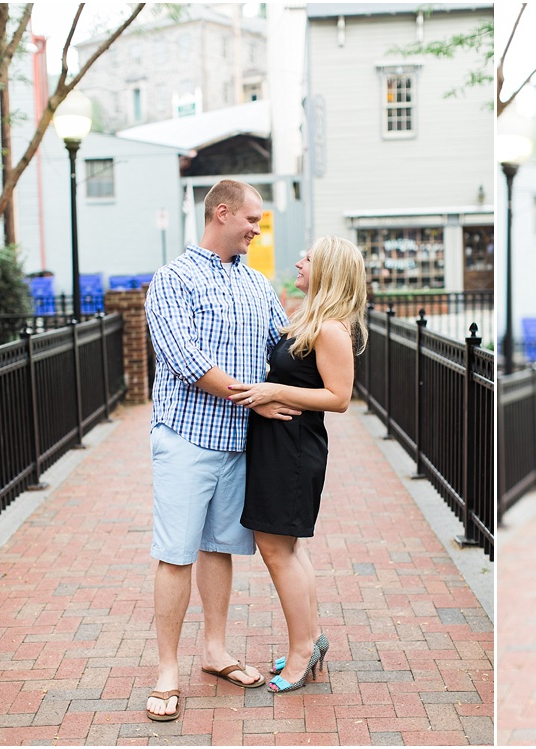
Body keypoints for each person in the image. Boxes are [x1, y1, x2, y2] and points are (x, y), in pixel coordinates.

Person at [144, 179, 299, 721]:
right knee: (176, 554)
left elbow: (282, 347)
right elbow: (185, 359)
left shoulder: (257, 284)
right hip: (186, 437)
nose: (257, 229)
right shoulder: (173, 279)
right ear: (223, 212)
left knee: (217, 549)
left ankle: (214, 651)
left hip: (238, 443)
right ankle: (167, 670)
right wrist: (255, 398)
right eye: (252, 219)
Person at [227, 236, 368, 693]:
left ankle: (303, 652)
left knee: (276, 549)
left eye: (307, 258)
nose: (298, 261)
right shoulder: (309, 318)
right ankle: (310, 638)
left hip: (294, 449)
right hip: (280, 444)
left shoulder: (330, 329)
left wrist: (274, 391)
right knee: (288, 548)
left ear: (328, 269)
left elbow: (339, 398)